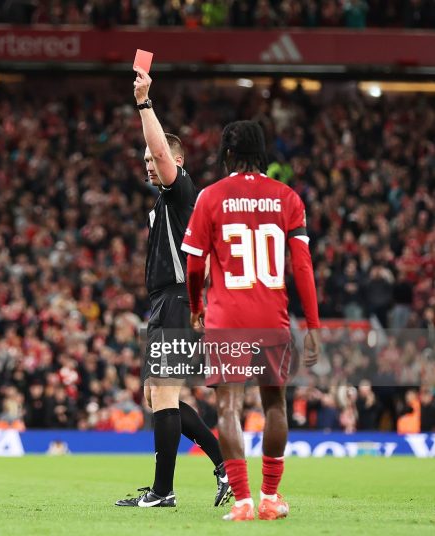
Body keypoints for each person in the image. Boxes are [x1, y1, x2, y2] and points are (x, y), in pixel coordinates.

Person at [182, 120, 320, 521]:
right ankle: (271, 498)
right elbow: (303, 266)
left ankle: (242, 501)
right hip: (271, 317)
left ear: (227, 154)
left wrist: (195, 306)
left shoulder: (210, 196)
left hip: (227, 317)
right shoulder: (288, 198)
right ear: (263, 155)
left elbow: (194, 267)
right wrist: (312, 325)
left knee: (228, 405)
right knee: (275, 403)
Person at [115, 67, 231, 509]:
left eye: (155, 160)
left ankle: (163, 492)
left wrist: (144, 102)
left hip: (177, 300)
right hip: (166, 302)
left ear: (174, 163)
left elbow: (162, 150)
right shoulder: (165, 202)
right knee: (156, 395)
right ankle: (223, 468)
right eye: (145, 162)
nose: (150, 165)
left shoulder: (181, 190)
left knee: (163, 393)